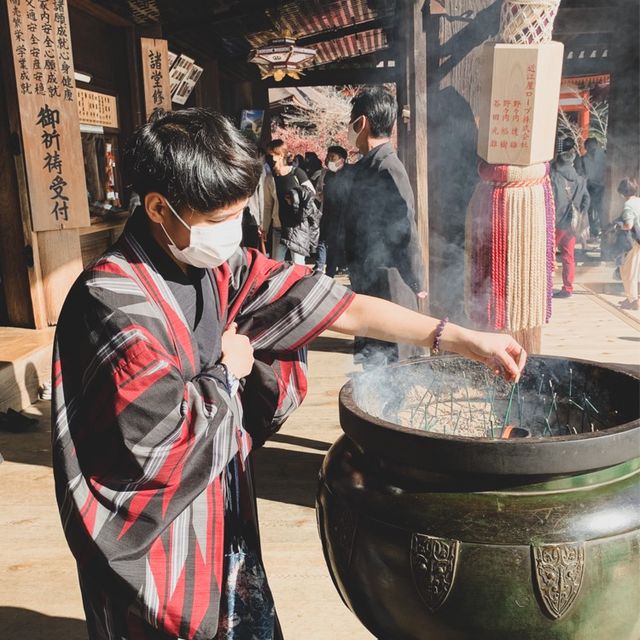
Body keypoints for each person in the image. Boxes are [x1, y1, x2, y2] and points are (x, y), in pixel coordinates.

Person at [52, 107, 526, 640]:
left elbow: (338, 306)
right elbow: (152, 449)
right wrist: (227, 374)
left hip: (220, 514)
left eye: (238, 213)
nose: (232, 232)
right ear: (160, 208)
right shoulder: (110, 302)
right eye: (217, 220)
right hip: (157, 548)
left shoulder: (217, 269)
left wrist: (460, 339)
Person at [343, 86, 426, 366]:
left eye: (351, 119)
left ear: (362, 122)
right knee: (375, 365)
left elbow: (405, 226)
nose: (349, 127)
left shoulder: (387, 167)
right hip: (371, 278)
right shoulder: (370, 164)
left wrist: (417, 278)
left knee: (391, 367)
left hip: (389, 282)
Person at [551, 139, 590, 298]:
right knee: (568, 256)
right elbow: (587, 199)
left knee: (548, 254)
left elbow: (550, 198)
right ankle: (568, 288)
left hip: (557, 221)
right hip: (573, 223)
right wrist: (580, 213)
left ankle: (545, 286)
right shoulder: (580, 179)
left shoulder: (553, 177)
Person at [266, 139, 315, 264]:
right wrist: (264, 227)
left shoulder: (297, 173)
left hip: (297, 226)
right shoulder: (270, 178)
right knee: (276, 265)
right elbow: (268, 205)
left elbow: (311, 193)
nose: (269, 158)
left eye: (271, 155)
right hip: (278, 226)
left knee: (298, 265)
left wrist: (295, 197)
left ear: (280, 155)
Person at [314, 145, 350, 276]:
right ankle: (326, 273)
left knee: (342, 247)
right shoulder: (327, 175)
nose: (328, 160)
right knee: (327, 244)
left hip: (346, 218)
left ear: (342, 159)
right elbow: (321, 194)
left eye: (332, 157)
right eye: (328, 157)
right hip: (329, 215)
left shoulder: (349, 173)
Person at [243, 150, 278, 252]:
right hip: (253, 215)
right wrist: (262, 222)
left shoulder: (236, 166)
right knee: (252, 249)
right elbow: (262, 197)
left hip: (240, 215)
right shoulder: (258, 169)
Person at [576, 137, 607, 238]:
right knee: (589, 209)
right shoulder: (583, 159)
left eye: (593, 146)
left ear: (597, 145)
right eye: (589, 147)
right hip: (590, 187)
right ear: (586, 147)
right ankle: (594, 231)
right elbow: (580, 174)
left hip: (603, 187)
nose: (592, 149)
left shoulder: (605, 155)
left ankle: (605, 231)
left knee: (602, 209)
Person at [617, 178, 640, 310]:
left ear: (621, 193)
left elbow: (629, 225)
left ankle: (633, 300)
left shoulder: (628, 205)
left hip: (635, 242)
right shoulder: (639, 201)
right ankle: (632, 297)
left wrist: (619, 226)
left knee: (628, 270)